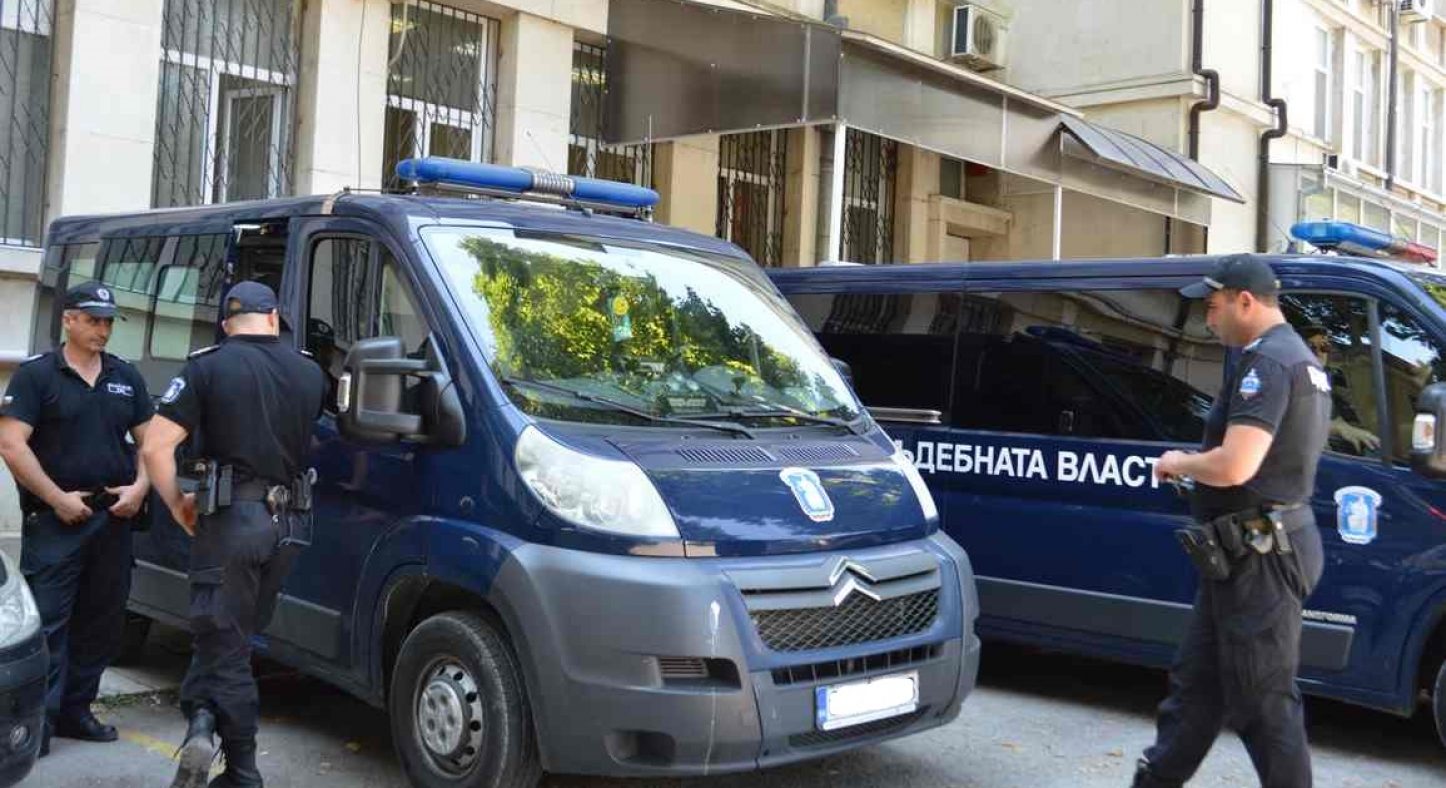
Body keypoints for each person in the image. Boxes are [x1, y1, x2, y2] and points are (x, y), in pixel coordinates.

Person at [1133, 256, 1329, 788]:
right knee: (1196, 692)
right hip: (1247, 553)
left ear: (1245, 300)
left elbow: (1237, 464)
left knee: (1264, 704)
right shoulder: (1299, 359)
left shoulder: (1268, 363)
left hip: (1259, 557)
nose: (1208, 318)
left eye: (1214, 306)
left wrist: (1180, 462)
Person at [140, 282, 326, 788]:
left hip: (232, 523)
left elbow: (155, 447)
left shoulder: (208, 367)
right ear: (274, 319)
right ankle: (201, 719)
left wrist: (177, 504)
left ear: (226, 324)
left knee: (225, 645)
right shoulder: (310, 372)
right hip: (290, 526)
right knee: (230, 638)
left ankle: (244, 772)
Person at [0, 281, 152, 756]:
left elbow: (154, 443)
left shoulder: (126, 376)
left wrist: (140, 487)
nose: (102, 330)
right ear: (68, 320)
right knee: (48, 623)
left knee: (101, 621)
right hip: (56, 521)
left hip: (113, 519)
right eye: (92, 320)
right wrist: (55, 498)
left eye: (107, 322)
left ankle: (76, 711)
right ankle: (38, 723)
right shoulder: (37, 376)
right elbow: (11, 444)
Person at [1299, 325, 1380, 456]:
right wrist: (1337, 428)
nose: (1318, 353)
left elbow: (1338, 416)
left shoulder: (1328, 380)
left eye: (1324, 347)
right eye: (1311, 347)